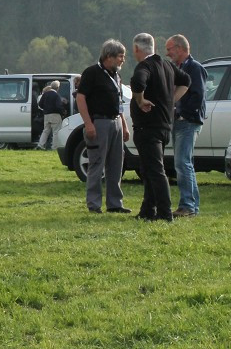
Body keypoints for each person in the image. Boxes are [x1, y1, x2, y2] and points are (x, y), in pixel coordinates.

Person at [129, 33, 190, 222]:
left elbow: (138, 82)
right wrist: (171, 100)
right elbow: (186, 80)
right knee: (148, 169)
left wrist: (140, 101)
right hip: (164, 125)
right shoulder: (167, 65)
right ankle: (147, 210)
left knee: (155, 170)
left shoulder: (145, 66)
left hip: (148, 127)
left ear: (137, 49)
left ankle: (164, 213)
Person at [76, 40, 131, 213]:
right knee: (97, 164)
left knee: (116, 164)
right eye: (120, 57)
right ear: (109, 56)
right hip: (98, 122)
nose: (123, 60)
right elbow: (80, 98)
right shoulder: (92, 73)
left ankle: (115, 204)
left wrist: (124, 124)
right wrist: (88, 123)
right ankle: (94, 204)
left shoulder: (116, 75)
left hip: (115, 122)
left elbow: (118, 101)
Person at [165, 34, 207, 217]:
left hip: (188, 122)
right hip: (181, 122)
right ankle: (191, 205)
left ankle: (187, 206)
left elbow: (198, 95)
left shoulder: (194, 68)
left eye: (170, 49)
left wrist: (181, 113)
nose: (167, 53)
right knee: (184, 163)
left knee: (182, 163)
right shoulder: (181, 68)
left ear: (180, 48)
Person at [36, 80, 65, 151]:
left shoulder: (45, 94)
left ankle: (40, 145)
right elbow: (58, 107)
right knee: (56, 131)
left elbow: (40, 105)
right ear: (57, 88)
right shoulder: (56, 95)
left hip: (46, 115)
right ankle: (54, 147)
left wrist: (46, 109)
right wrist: (63, 112)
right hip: (55, 115)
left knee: (45, 130)